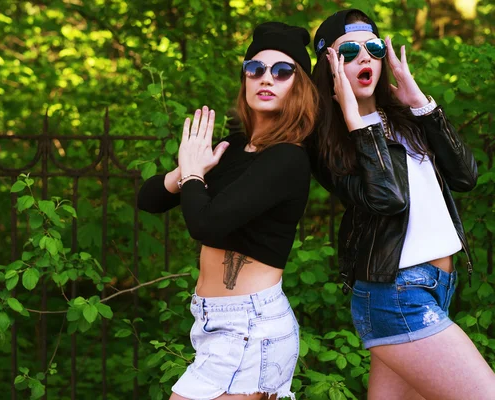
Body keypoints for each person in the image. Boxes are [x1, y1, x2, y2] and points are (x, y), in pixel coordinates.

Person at [308, 8, 495, 399]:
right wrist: (358, 122)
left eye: (373, 48)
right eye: (349, 51)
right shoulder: (329, 140)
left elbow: (465, 176)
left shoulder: (406, 118)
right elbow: (388, 198)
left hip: (439, 285)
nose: (365, 58)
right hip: (396, 294)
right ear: (329, 66)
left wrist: (419, 100)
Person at [138, 22, 318, 400]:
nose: (265, 77)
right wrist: (183, 172)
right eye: (255, 68)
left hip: (251, 327)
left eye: (282, 71)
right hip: (216, 324)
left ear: (298, 86)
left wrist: (192, 173)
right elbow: (149, 200)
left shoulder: (287, 158)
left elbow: (206, 223)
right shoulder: (233, 148)